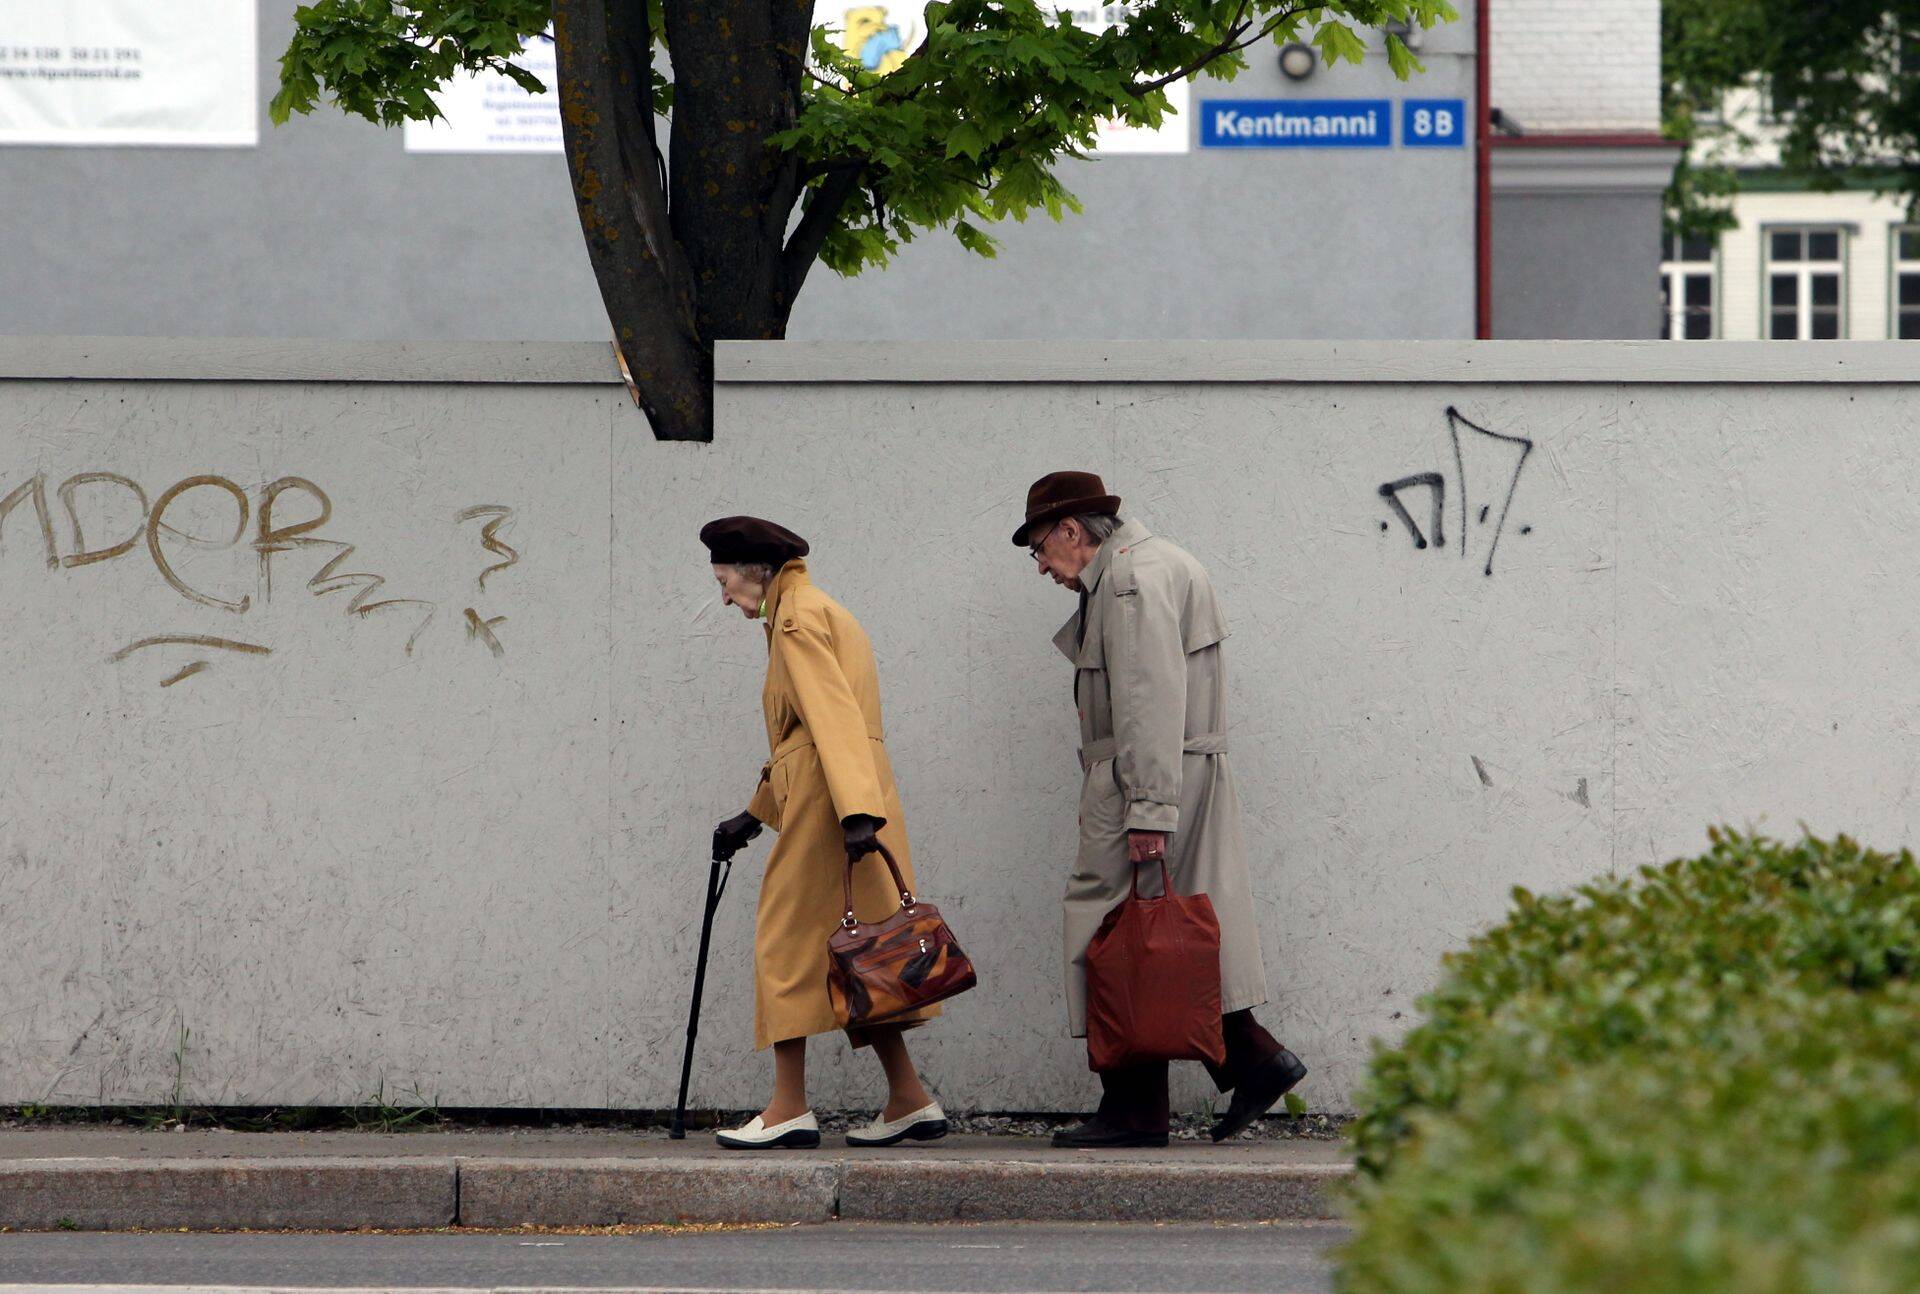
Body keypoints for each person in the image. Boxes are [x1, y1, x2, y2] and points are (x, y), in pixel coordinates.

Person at [1013, 472, 1307, 1148]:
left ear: (1071, 531)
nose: (1039, 567)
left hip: (1143, 780)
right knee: (1150, 934)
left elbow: (1145, 701)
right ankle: (1247, 1063)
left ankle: (1141, 1107)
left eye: (1038, 548)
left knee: (1115, 934)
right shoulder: (1153, 566)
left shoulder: (1128, 583)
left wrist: (1147, 812)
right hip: (1169, 773)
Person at [702, 515, 946, 1150]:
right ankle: (909, 1099)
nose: (723, 596)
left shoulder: (795, 618)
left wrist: (854, 811)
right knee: (862, 952)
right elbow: (803, 736)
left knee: (784, 946)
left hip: (831, 800)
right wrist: (752, 817)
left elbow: (831, 720)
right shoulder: (808, 608)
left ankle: (787, 1108)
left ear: (754, 571)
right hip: (841, 794)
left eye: (724, 580)